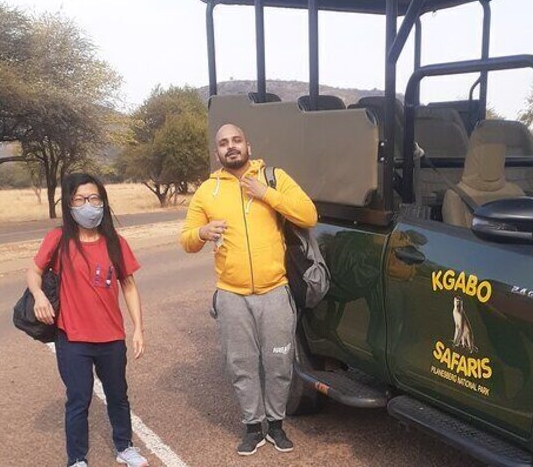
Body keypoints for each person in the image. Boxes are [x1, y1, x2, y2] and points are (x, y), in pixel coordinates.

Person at [181, 123, 317, 456]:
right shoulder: (207, 191)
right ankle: (253, 427)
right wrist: (201, 233)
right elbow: (187, 240)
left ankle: (277, 425)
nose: (231, 146)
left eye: (236, 140)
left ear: (248, 146)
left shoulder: (274, 177)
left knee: (279, 362)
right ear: (217, 153)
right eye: (223, 143)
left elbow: (309, 215)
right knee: (241, 364)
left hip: (275, 291)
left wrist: (266, 193)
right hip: (232, 295)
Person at [27, 173, 148, 467]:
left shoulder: (116, 243)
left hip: (111, 337)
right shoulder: (58, 239)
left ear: (103, 202)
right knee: (79, 399)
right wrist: (39, 296)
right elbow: (34, 271)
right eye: (80, 200)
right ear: (69, 204)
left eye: (94, 198)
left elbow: (129, 286)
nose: (88, 206)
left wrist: (138, 328)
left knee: (118, 395)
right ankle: (77, 458)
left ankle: (124, 447)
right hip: (73, 338)